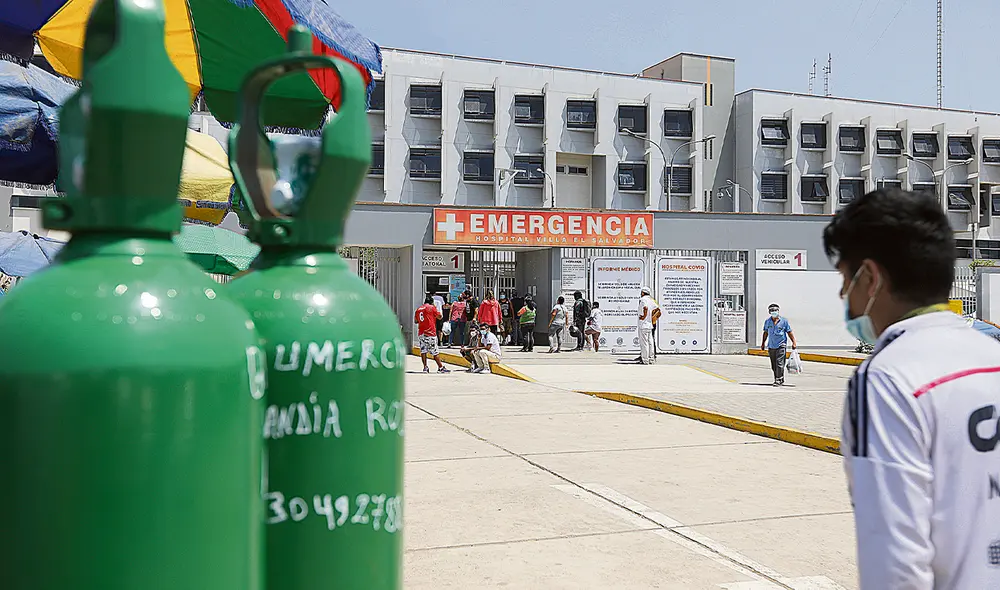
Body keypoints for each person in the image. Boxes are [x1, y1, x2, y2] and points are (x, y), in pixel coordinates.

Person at [824, 188, 1000, 589]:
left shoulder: (887, 379)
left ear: (870, 278)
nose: (842, 295)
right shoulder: (991, 356)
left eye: (845, 279)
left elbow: (896, 566)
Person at [760, 303, 797, 386]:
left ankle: (778, 379)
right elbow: (765, 333)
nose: (774, 312)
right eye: (772, 310)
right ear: (769, 312)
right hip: (771, 345)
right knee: (774, 365)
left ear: (778, 311)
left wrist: (794, 342)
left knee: (779, 363)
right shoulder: (767, 322)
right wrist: (763, 343)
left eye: (775, 310)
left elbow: (789, 332)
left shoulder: (784, 321)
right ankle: (780, 378)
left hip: (781, 345)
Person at [414, 296, 449, 374]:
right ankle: (440, 367)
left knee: (423, 351)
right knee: (435, 351)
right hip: (430, 332)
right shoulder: (431, 307)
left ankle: (425, 367)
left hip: (421, 332)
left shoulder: (418, 309)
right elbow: (440, 317)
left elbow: (416, 321)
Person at [637, 287, 658, 364]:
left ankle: (645, 360)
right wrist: (651, 317)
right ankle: (651, 359)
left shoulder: (643, 299)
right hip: (649, 324)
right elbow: (657, 309)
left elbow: (645, 307)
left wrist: (644, 316)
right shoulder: (651, 300)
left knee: (644, 343)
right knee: (650, 343)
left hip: (643, 325)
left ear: (643, 293)